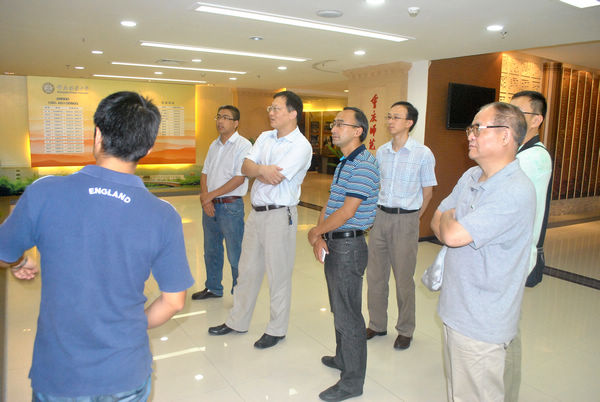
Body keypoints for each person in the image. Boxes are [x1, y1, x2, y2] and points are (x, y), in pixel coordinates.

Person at [0, 91, 194, 400]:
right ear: (148, 147)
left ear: (97, 135)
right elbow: (174, 302)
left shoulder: (44, 192)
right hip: (125, 372)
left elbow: (3, 252)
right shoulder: (163, 215)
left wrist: (19, 261)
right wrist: (129, 327)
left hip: (59, 375)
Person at [430, 102, 535, 401]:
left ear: (505, 136)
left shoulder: (514, 189)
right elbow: (437, 219)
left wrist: (451, 221)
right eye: (470, 128)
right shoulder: (471, 176)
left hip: (481, 321)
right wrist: (450, 222)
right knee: (459, 391)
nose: (470, 135)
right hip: (456, 308)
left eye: (478, 128)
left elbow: (451, 234)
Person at [208, 90, 312, 349]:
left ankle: (277, 329)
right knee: (247, 271)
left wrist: (259, 170)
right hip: (256, 213)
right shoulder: (266, 137)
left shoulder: (301, 146)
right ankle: (237, 321)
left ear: (293, 113)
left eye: (277, 108)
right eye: (270, 108)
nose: (271, 113)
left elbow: (276, 178)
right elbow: (245, 167)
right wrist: (262, 169)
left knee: (278, 274)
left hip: (280, 215)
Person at [307, 107, 379, 401]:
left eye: (340, 124)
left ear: (358, 131)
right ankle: (342, 358)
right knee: (339, 307)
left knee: (349, 315)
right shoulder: (344, 162)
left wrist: (317, 232)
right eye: (334, 124)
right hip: (335, 241)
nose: (334, 129)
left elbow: (348, 211)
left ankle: (352, 382)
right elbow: (331, 203)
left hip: (349, 246)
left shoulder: (364, 165)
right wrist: (320, 233)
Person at [366, 101, 437, 350]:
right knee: (375, 275)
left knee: (403, 279)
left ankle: (405, 329)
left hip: (406, 219)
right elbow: (378, 185)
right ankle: (377, 324)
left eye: (396, 117)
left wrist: (414, 219)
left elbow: (428, 193)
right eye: (389, 116)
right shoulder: (382, 151)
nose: (390, 121)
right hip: (380, 217)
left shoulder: (423, 153)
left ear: (409, 123)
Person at [504, 91, 553, 402]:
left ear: (536, 120)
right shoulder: (519, 152)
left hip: (515, 256)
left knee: (506, 330)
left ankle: (507, 394)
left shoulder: (533, 158)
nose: (510, 117)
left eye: (518, 112)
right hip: (508, 254)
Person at [192, 105, 251, 300]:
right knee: (211, 250)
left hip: (230, 206)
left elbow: (239, 178)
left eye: (226, 117)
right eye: (218, 117)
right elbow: (205, 173)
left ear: (236, 123)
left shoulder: (243, 145)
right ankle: (213, 288)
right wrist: (206, 197)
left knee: (235, 253)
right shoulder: (214, 144)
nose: (220, 121)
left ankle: (240, 293)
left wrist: (210, 196)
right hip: (210, 205)